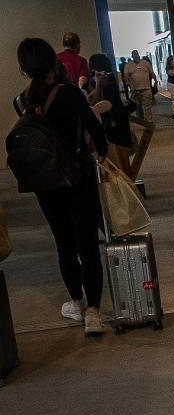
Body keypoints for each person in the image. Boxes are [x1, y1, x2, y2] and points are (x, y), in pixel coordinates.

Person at [13, 38, 109, 335]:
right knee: (88, 245)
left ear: (24, 69)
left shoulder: (20, 102)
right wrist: (99, 151)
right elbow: (97, 135)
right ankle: (94, 313)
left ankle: (76, 304)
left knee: (64, 244)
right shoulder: (69, 94)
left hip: (46, 185)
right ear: (52, 60)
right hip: (78, 179)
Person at [85, 54, 134, 178]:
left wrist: (97, 86)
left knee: (114, 160)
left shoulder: (98, 81)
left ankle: (122, 188)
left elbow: (95, 103)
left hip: (110, 125)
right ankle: (129, 186)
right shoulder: (108, 79)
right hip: (119, 123)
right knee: (123, 160)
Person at [121, 50, 156, 124]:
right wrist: (127, 83)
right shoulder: (128, 65)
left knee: (147, 106)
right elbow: (126, 76)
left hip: (146, 88)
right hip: (135, 90)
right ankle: (140, 120)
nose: (136, 56)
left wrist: (155, 81)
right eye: (134, 55)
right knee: (138, 106)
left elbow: (152, 73)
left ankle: (149, 121)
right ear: (132, 56)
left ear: (139, 55)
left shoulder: (146, 63)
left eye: (137, 55)